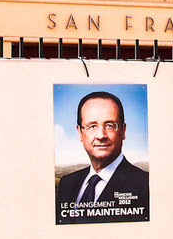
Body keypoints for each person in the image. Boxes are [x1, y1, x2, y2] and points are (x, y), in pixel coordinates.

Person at [57, 90, 150, 224]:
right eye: (92, 126)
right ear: (80, 132)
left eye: (110, 125)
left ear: (123, 131)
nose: (101, 135)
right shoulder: (67, 183)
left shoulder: (146, 184)